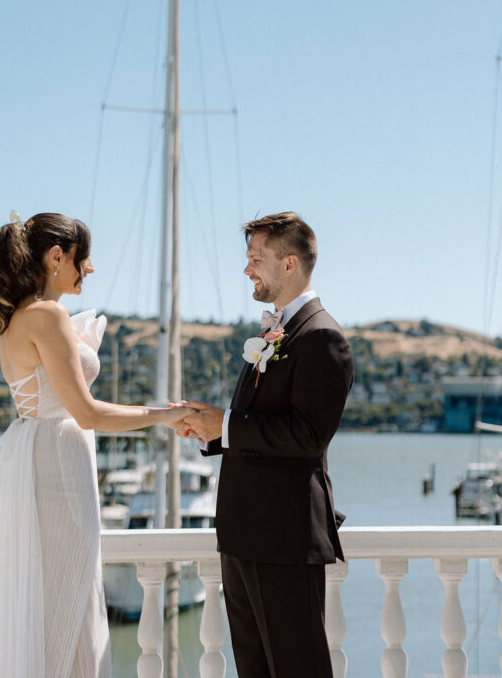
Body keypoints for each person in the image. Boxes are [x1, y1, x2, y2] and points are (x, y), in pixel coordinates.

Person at [0, 211, 192, 678]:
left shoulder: (18, 320)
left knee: (50, 598)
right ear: (57, 256)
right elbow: (87, 413)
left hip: (36, 460)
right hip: (56, 469)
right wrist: (167, 416)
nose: (89, 268)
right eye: (83, 257)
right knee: (65, 598)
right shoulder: (47, 315)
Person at [176, 212, 353, 678]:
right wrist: (211, 431)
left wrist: (228, 425)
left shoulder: (322, 337)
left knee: (298, 668)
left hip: (284, 538)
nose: (247, 269)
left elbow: (308, 436)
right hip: (245, 535)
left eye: (256, 258)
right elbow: (260, 426)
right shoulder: (278, 332)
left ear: (289, 264)